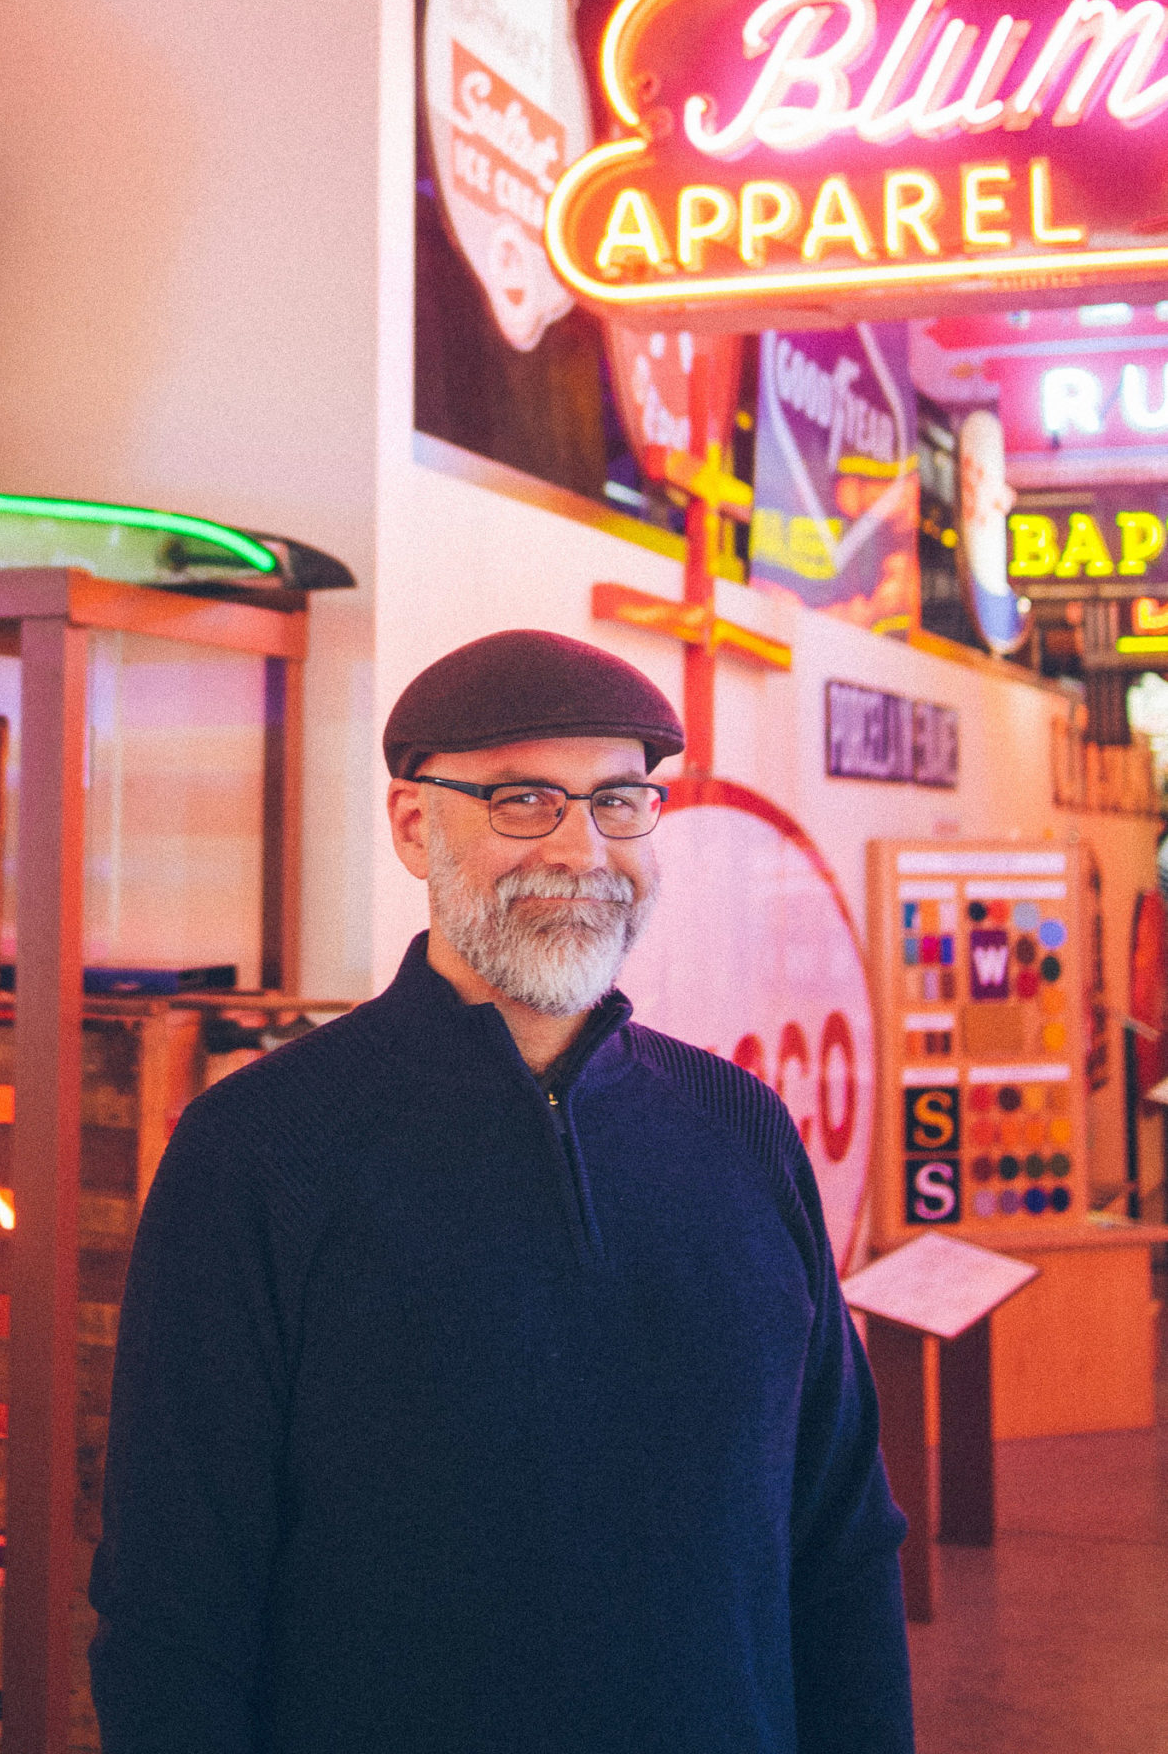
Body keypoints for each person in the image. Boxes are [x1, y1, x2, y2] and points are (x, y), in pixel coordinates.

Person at [89, 628, 912, 1753]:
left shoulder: (740, 1132)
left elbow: (840, 1544)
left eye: (621, 799)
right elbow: (173, 1607)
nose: (582, 848)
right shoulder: (259, 1153)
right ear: (414, 824)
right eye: (526, 800)